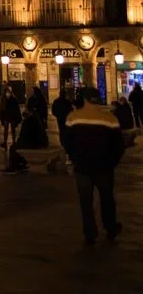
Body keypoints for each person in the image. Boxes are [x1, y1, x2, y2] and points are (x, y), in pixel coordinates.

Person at [63, 86, 125, 245]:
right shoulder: (110, 118)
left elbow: (67, 142)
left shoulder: (73, 117)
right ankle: (110, 228)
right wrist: (112, 162)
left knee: (86, 201)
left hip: (83, 166)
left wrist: (74, 157)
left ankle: (90, 232)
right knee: (107, 198)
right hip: (104, 167)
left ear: (83, 99)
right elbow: (119, 145)